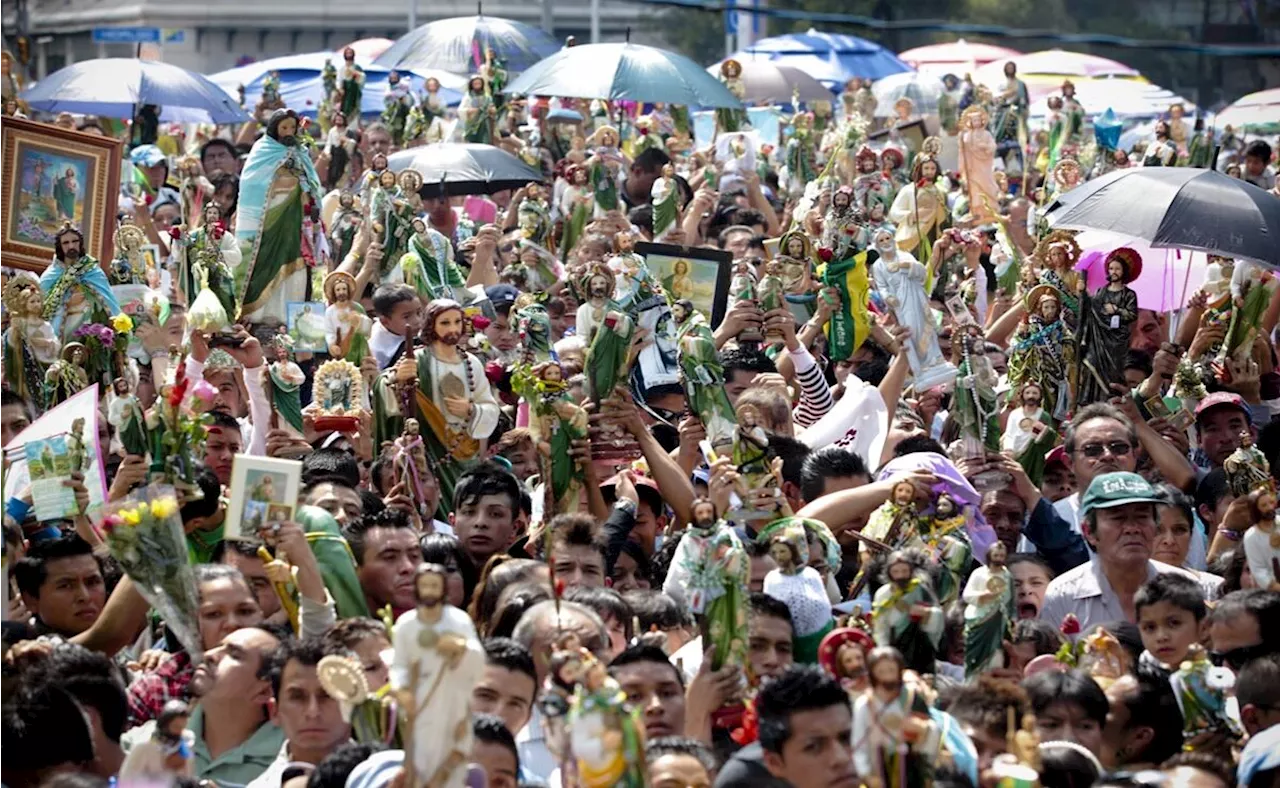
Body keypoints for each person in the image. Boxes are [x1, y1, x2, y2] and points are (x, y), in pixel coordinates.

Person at [1041, 472, 1199, 632]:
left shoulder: (1186, 589)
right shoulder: (1062, 596)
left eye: (1142, 517)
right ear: (1088, 531)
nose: (1132, 528)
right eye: (1118, 518)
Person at [1134, 572, 1208, 669]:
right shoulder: (1136, 674)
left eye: (1174, 623)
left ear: (1203, 628)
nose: (1161, 637)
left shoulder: (1220, 675)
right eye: (1150, 627)